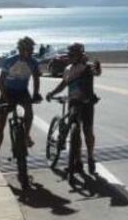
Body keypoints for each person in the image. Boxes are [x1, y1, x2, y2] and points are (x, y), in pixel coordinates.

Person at [47, 42, 102, 183]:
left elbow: (96, 72)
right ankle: (76, 161)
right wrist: (52, 93)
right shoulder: (68, 69)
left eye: (73, 54)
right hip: (73, 102)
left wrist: (98, 67)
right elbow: (63, 84)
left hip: (87, 102)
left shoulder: (87, 67)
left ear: (80, 55)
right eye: (69, 54)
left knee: (88, 130)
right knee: (74, 130)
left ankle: (90, 157)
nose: (70, 56)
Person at [0, 36, 42, 168]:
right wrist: (5, 98)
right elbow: (0, 82)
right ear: (21, 49)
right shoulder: (9, 61)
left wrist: (36, 94)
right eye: (28, 49)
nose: (31, 51)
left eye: (32, 49)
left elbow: (36, 79)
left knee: (29, 110)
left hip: (22, 91)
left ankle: (26, 136)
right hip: (7, 91)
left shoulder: (33, 62)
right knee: (0, 125)